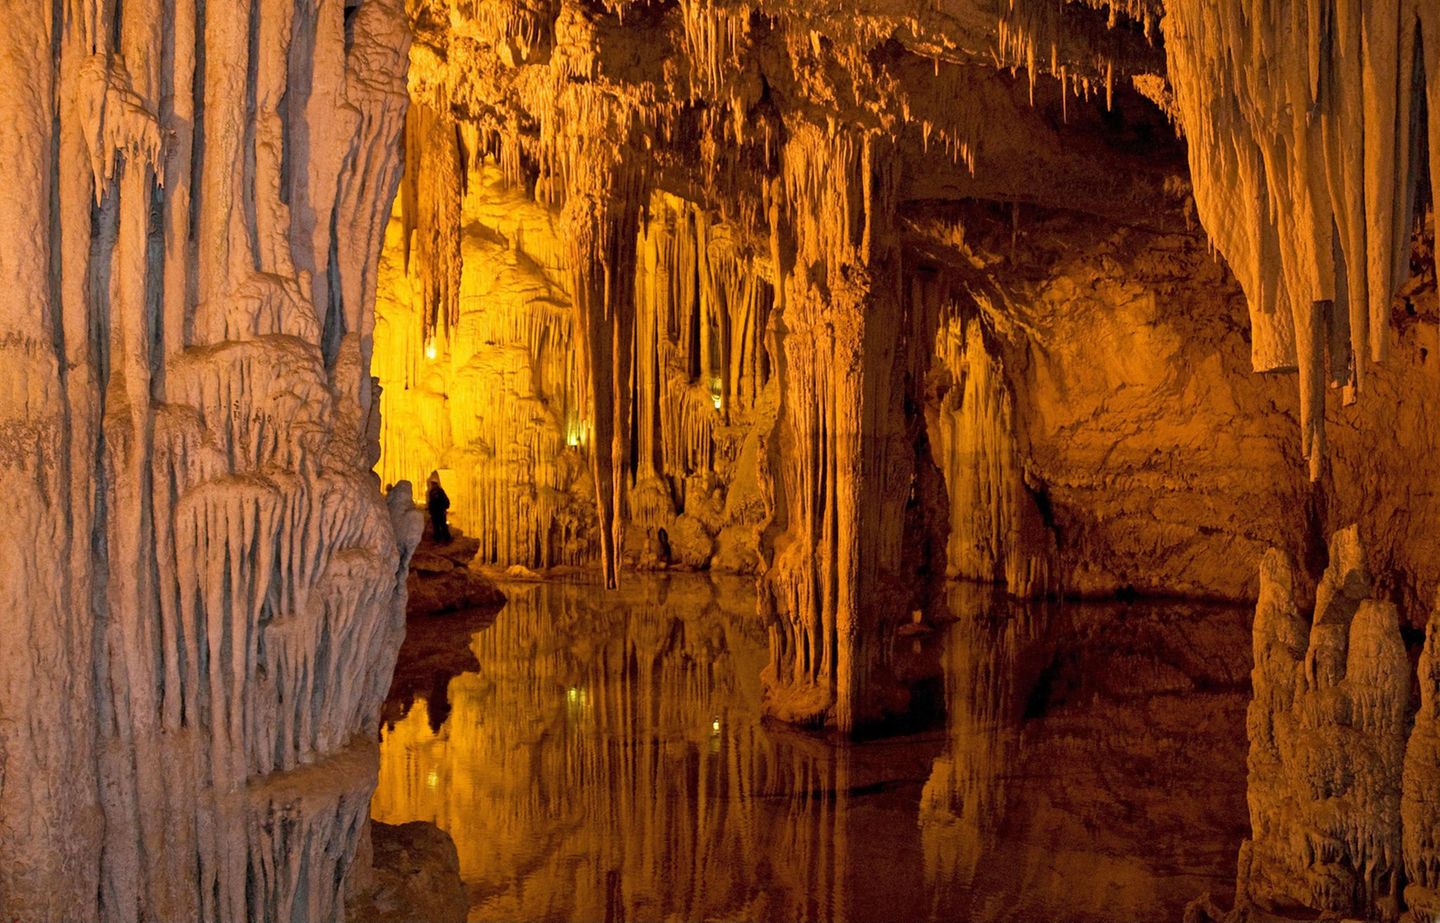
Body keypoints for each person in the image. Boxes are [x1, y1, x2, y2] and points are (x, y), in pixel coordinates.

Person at [426, 473, 452, 543]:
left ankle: (441, 539)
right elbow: (445, 500)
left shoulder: (434, 492)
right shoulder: (439, 491)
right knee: (441, 525)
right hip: (439, 511)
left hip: (437, 512)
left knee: (438, 526)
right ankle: (445, 539)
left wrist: (430, 510)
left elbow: (432, 502)